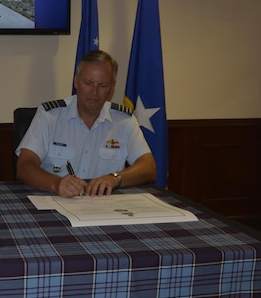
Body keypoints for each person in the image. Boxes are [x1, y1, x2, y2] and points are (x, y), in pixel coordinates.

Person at [16, 50, 157, 197]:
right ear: (76, 81)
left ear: (112, 87)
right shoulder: (50, 116)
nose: (94, 92)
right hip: (55, 200)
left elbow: (149, 167)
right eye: (88, 83)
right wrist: (56, 183)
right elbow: (24, 166)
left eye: (102, 85)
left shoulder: (124, 120)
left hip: (105, 206)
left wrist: (115, 178)